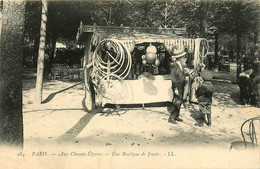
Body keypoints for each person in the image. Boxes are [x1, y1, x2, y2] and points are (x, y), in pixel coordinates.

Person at [168, 48, 187, 124]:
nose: (184, 58)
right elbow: (173, 78)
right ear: (180, 58)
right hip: (177, 86)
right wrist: (175, 88)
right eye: (183, 57)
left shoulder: (180, 65)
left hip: (181, 86)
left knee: (180, 101)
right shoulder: (174, 66)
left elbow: (181, 74)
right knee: (176, 102)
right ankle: (171, 118)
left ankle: (176, 116)